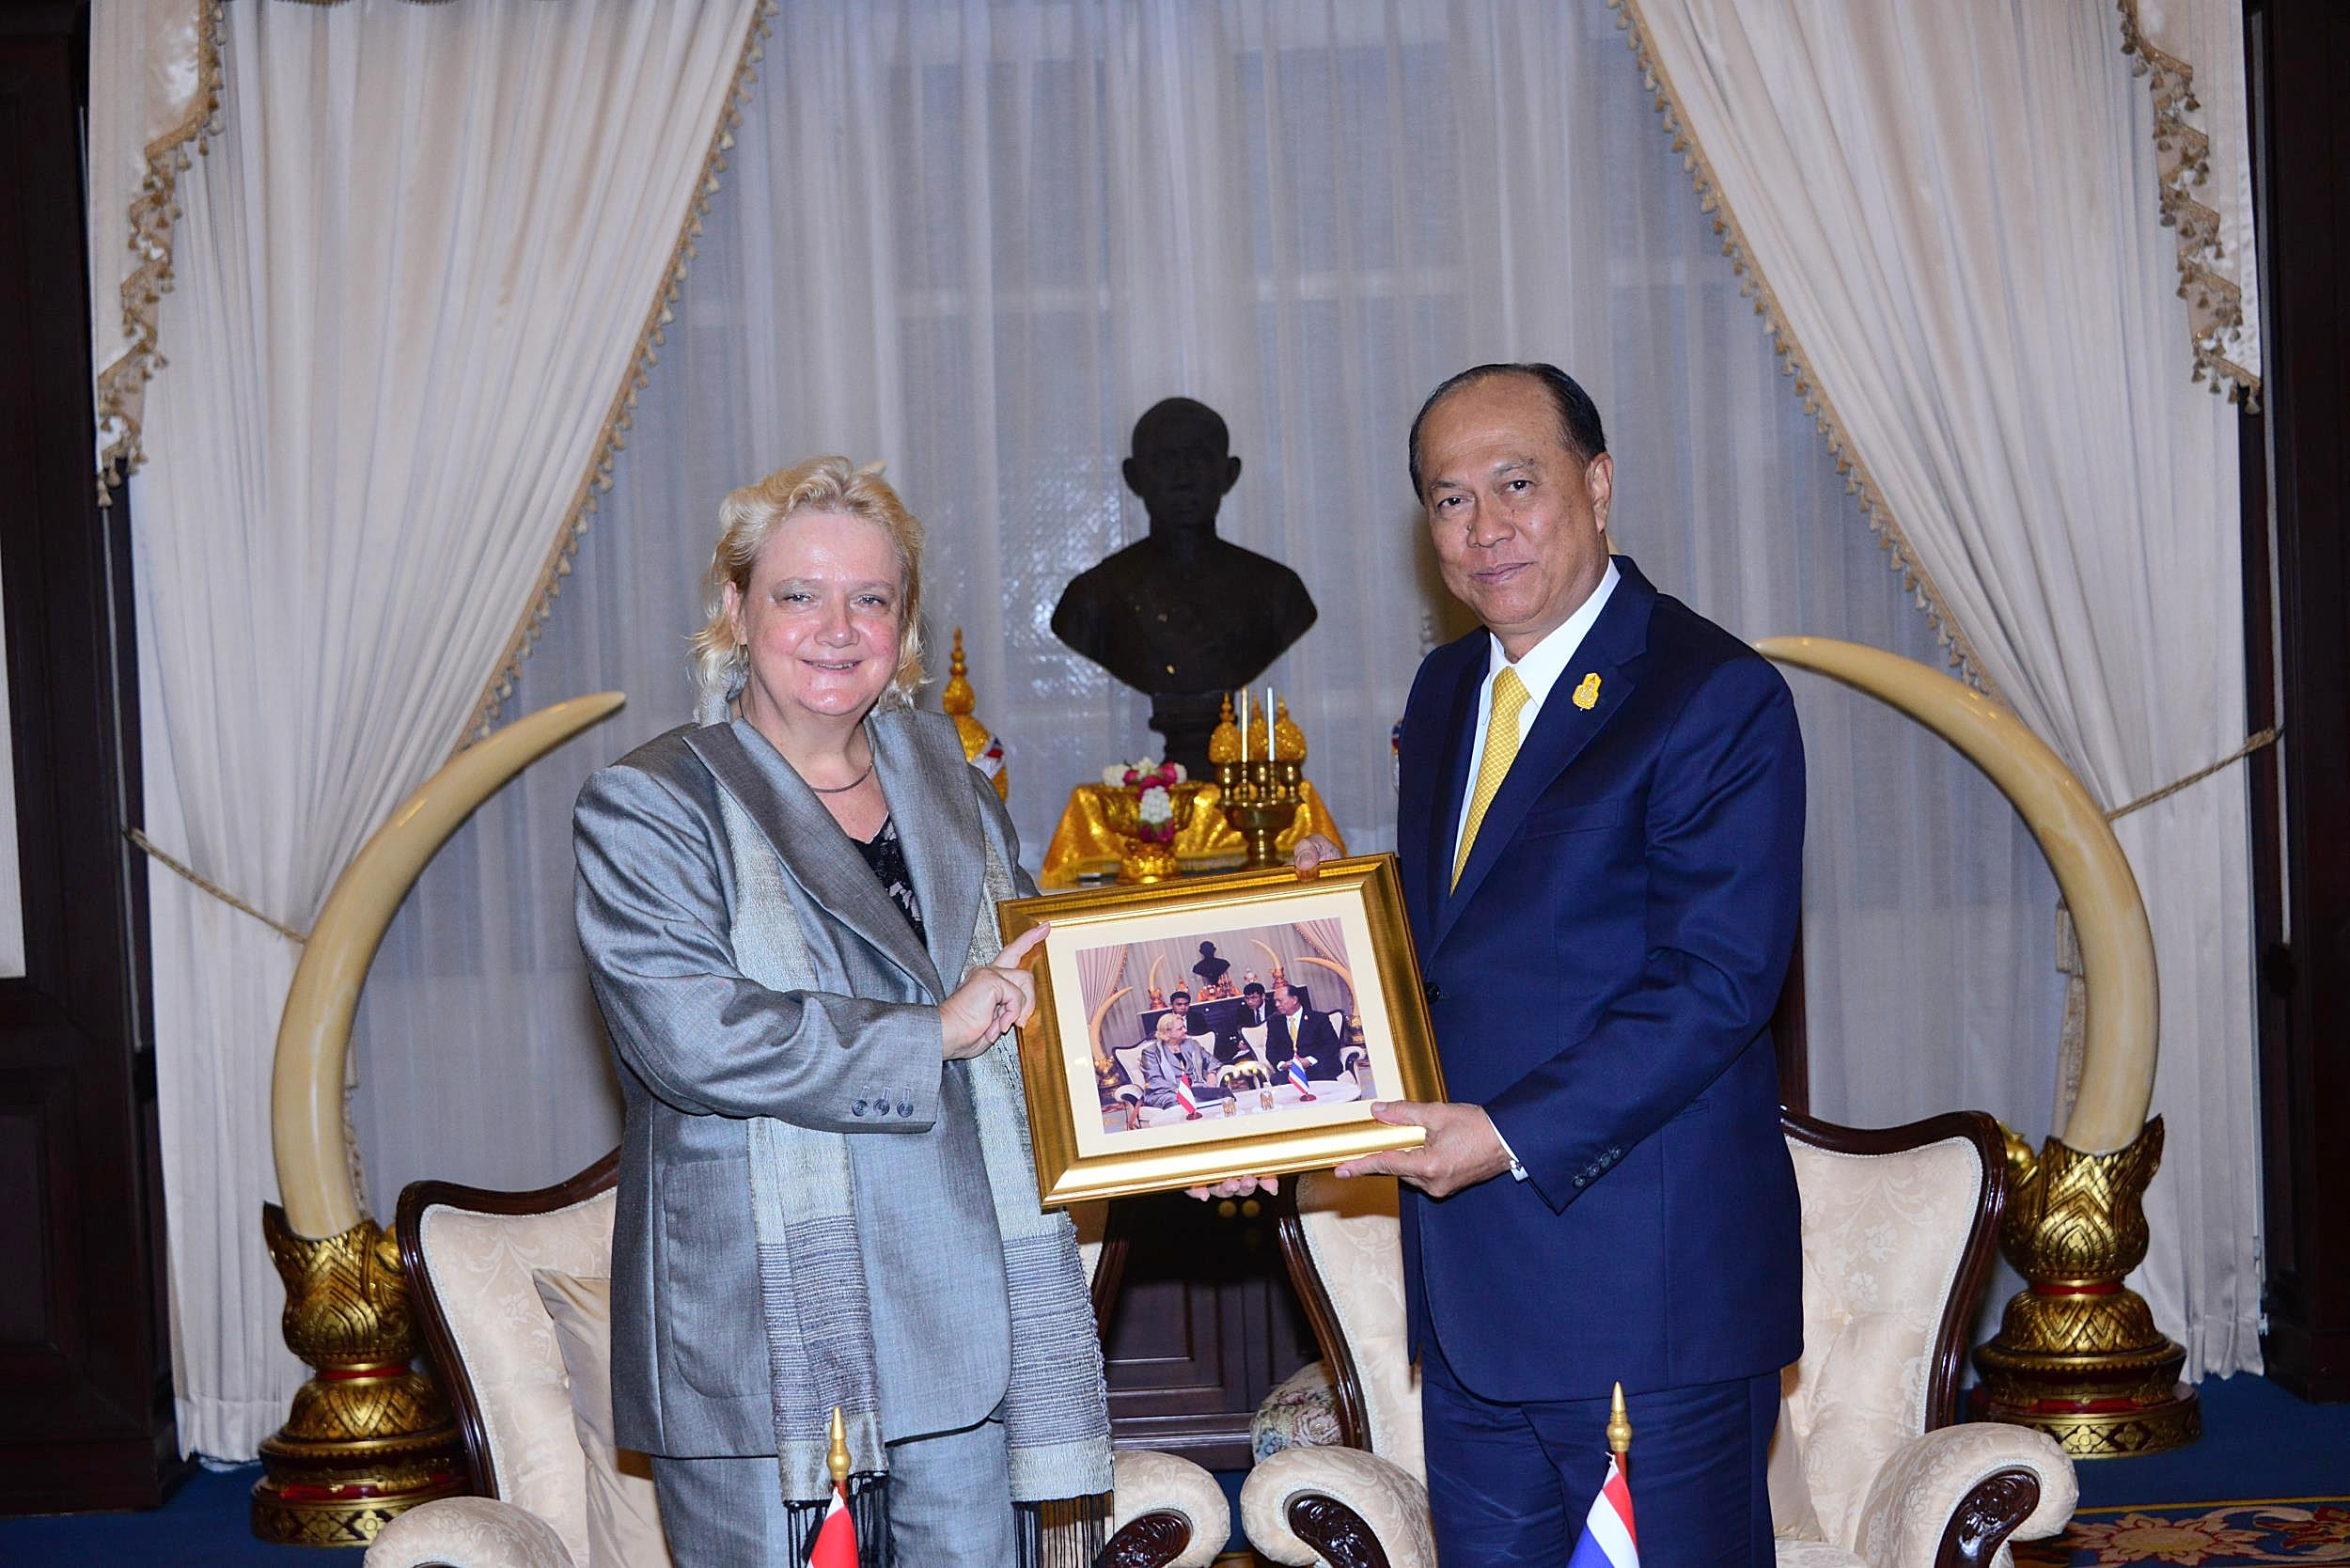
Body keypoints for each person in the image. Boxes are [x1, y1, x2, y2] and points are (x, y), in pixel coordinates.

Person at [1290, 364, 1804, 1565]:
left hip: (1644, 1295)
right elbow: (1481, 929)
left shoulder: (1712, 693)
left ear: (1598, 483)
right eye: (1450, 498)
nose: (1485, 528)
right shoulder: (1447, 686)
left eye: (1516, 484)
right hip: (1475, 1294)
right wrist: (1336, 925)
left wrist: (1506, 1133)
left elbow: (1717, 982)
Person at [572, 456, 1111, 1567]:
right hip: (761, 1325)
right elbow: (691, 1038)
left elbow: (1034, 994)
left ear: (903, 624)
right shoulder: (652, 801)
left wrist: (1184, 1118)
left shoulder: (953, 782)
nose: (836, 629)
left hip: (960, 1306)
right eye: (798, 595)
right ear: (735, 609)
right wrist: (933, 1034)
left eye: (870, 597)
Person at [1050, 397, 1318, 775]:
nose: (1183, 477)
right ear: (1134, 477)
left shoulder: (1279, 592)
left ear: (1229, 473)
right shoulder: (1092, 598)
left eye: (1200, 458)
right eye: (1164, 461)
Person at [1137, 1011, 1217, 1112]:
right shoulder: (1151, 1052)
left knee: (1214, 1096)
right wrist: (1182, 1090)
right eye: (1180, 1029)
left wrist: (1212, 1074)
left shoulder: (1192, 1044)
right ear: (1167, 1032)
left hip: (1196, 1088)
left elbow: (1211, 1061)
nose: (1185, 1030)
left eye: (1184, 1027)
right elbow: (1154, 1080)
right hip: (1165, 1092)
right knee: (1180, 1101)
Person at [1263, 983, 1340, 1078]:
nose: (1277, 1005)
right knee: (1276, 1079)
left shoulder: (1318, 1018)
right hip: (1290, 1071)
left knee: (1320, 1073)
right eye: (1275, 1001)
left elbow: (1332, 1044)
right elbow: (1271, 1051)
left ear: (1294, 1000)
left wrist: (1309, 1060)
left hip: (1318, 1065)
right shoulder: (1274, 1023)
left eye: (1280, 1001)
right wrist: (1282, 1064)